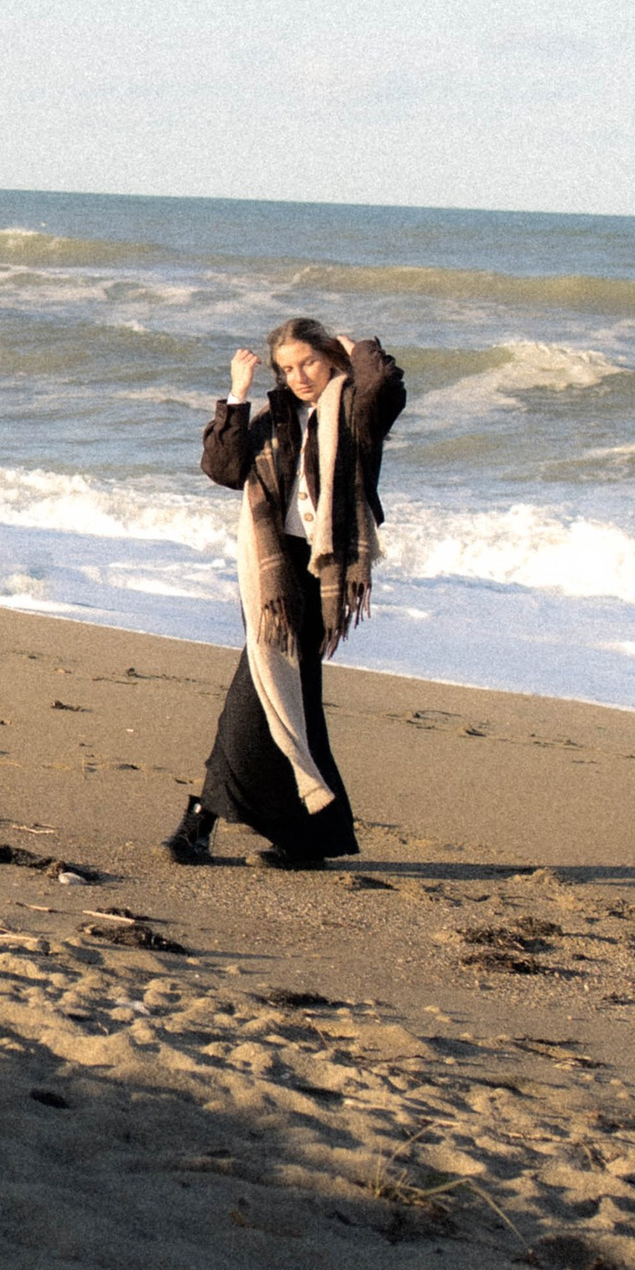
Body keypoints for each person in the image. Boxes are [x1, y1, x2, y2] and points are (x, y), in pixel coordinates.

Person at [165, 315, 406, 872]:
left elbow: (385, 391)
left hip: (321, 573)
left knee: (264, 697)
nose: (299, 377)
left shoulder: (353, 412)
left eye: (310, 364)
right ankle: (298, 838)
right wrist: (238, 394)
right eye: (288, 368)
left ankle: (207, 824)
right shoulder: (272, 417)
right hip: (270, 573)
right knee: (271, 696)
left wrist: (360, 349)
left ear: (330, 359)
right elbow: (222, 469)